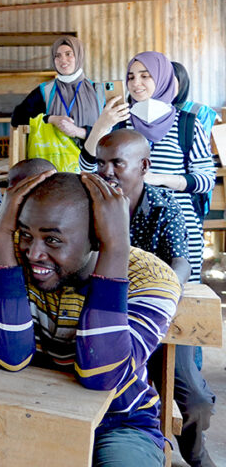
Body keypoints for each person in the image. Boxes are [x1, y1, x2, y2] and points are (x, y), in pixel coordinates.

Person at [0, 172, 181, 467]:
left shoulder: (151, 278)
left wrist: (114, 248)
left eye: (52, 239)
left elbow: (101, 375)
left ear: (95, 237)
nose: (34, 252)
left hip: (119, 421)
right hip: (32, 411)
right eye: (25, 233)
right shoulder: (9, 258)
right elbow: (9, 357)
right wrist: (1, 234)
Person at [94, 129, 217, 467]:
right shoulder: (91, 205)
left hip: (160, 315)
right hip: (111, 317)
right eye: (101, 163)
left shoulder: (165, 207)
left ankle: (195, 453)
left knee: (195, 399)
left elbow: (181, 263)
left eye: (117, 163)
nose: (106, 172)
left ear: (144, 166)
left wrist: (157, 295)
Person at [81, 51, 215, 282]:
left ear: (162, 78)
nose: (136, 83)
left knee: (176, 293)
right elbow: (87, 167)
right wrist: (101, 125)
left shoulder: (188, 124)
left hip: (180, 225)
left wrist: (157, 178)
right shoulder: (119, 121)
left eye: (145, 76)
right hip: (126, 222)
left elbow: (205, 180)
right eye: (131, 77)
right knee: (126, 288)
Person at [11, 35, 104, 144]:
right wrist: (50, 119)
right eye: (57, 56)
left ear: (79, 56)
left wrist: (80, 132)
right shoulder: (45, 90)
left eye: (68, 54)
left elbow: (114, 129)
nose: (63, 60)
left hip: (92, 159)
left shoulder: (99, 91)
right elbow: (17, 118)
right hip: (54, 158)